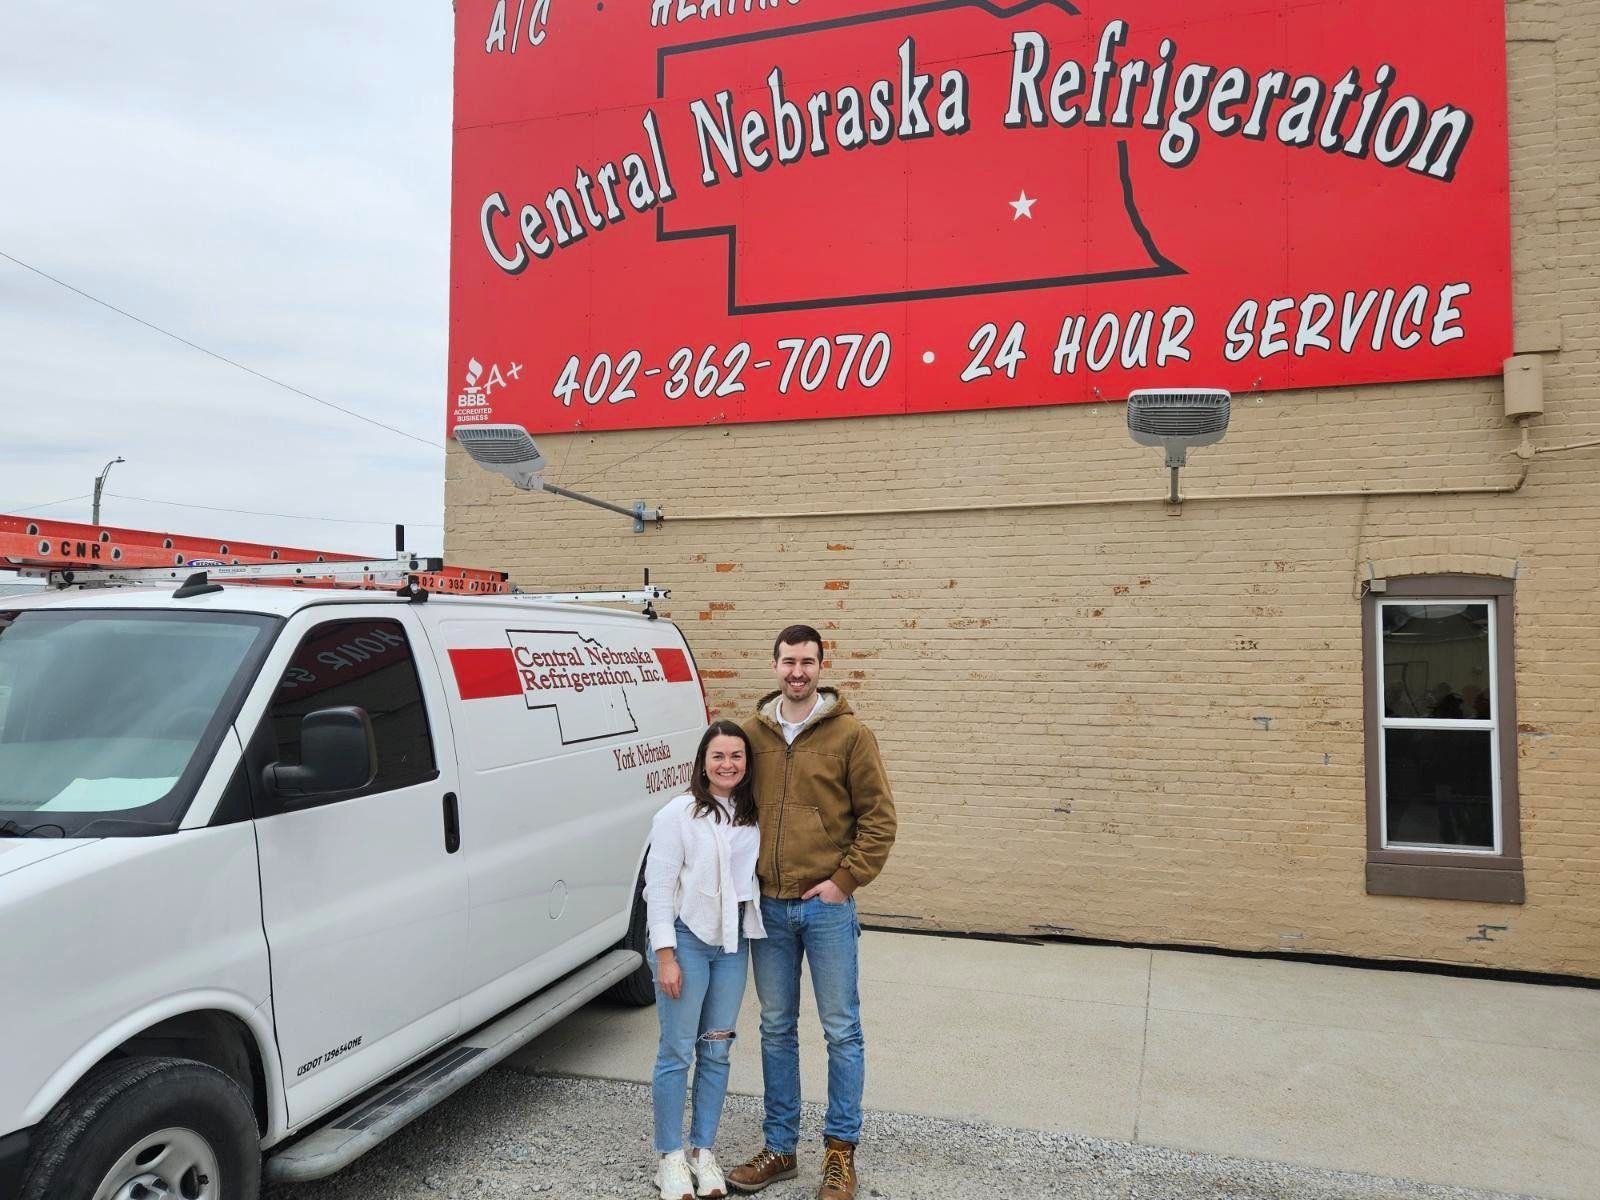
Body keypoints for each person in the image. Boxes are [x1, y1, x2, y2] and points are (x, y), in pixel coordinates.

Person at [727, 625, 897, 1200]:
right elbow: (725, 805)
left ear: (822, 666)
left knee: (841, 1030)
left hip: (825, 910)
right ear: (773, 665)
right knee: (775, 1030)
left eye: (807, 662)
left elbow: (879, 820)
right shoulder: (751, 734)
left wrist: (843, 882)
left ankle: (839, 1155)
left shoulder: (852, 736)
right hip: (768, 910)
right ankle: (780, 1149)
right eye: (787, 661)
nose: (796, 671)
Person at [644, 720, 767, 1200]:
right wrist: (665, 955)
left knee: (716, 1049)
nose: (728, 764)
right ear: (702, 762)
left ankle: (702, 1150)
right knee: (677, 1051)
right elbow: (657, 888)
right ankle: (670, 1158)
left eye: (737, 756)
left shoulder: (750, 813)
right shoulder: (677, 814)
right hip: (687, 941)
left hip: (733, 945)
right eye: (719, 756)